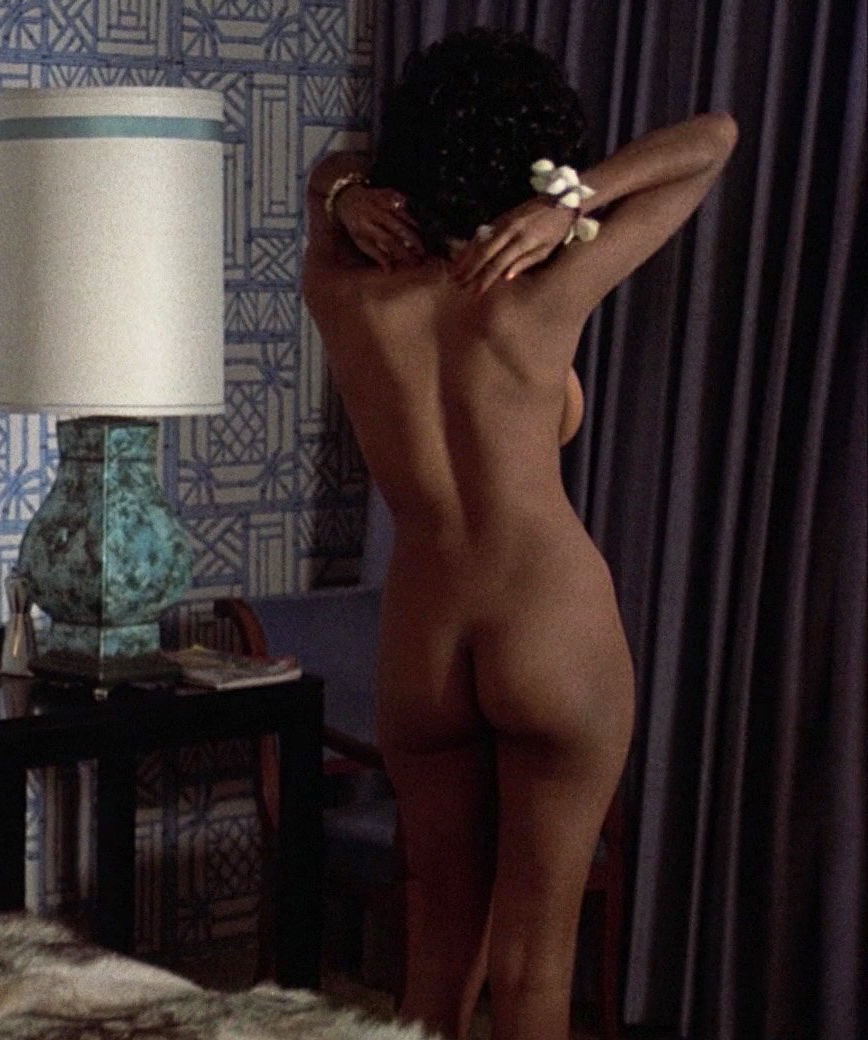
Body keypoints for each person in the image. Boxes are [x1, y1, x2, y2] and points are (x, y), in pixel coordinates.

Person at [301, 29, 737, 1040]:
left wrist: (344, 193)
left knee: (436, 955)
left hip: (424, 639)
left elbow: (329, 174)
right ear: (537, 163)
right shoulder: (540, 295)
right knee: (534, 973)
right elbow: (714, 138)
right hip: (549, 623)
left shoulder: (345, 294)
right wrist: (573, 204)